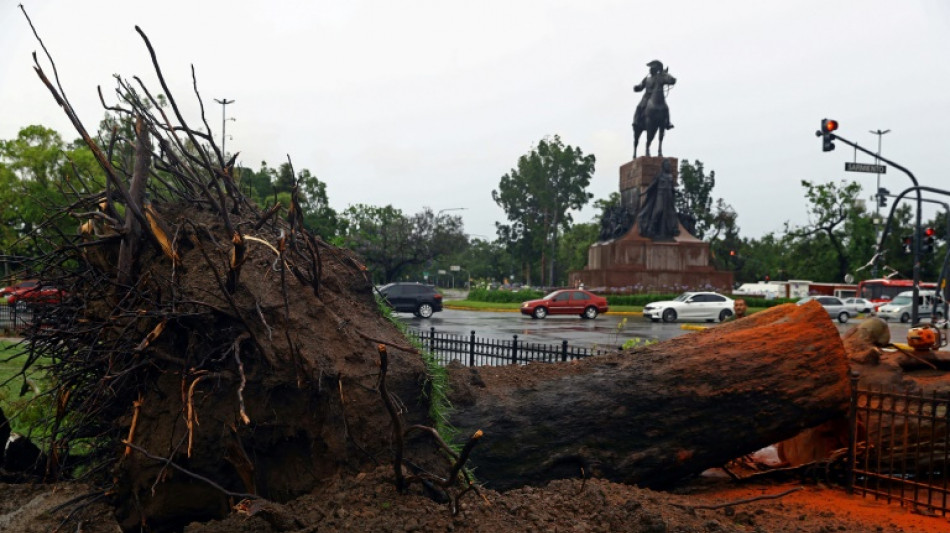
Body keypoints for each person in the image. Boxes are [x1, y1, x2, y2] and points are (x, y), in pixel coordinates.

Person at [637, 158, 679, 240]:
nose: (668, 167)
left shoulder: (670, 176)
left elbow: (672, 187)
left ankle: (669, 230)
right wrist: (644, 192)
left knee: (669, 213)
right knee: (658, 210)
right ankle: (651, 227)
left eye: (669, 165)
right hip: (661, 194)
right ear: (663, 166)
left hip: (669, 195)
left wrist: (677, 192)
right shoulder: (659, 175)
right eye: (667, 165)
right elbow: (652, 185)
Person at [633, 60, 675, 131]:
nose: (650, 70)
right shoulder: (647, 79)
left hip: (657, 97)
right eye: (650, 68)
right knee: (639, 107)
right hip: (646, 97)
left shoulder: (659, 78)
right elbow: (641, 87)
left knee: (666, 108)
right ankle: (636, 121)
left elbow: (667, 79)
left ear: (656, 70)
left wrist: (670, 79)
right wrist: (637, 88)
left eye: (652, 68)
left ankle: (668, 123)